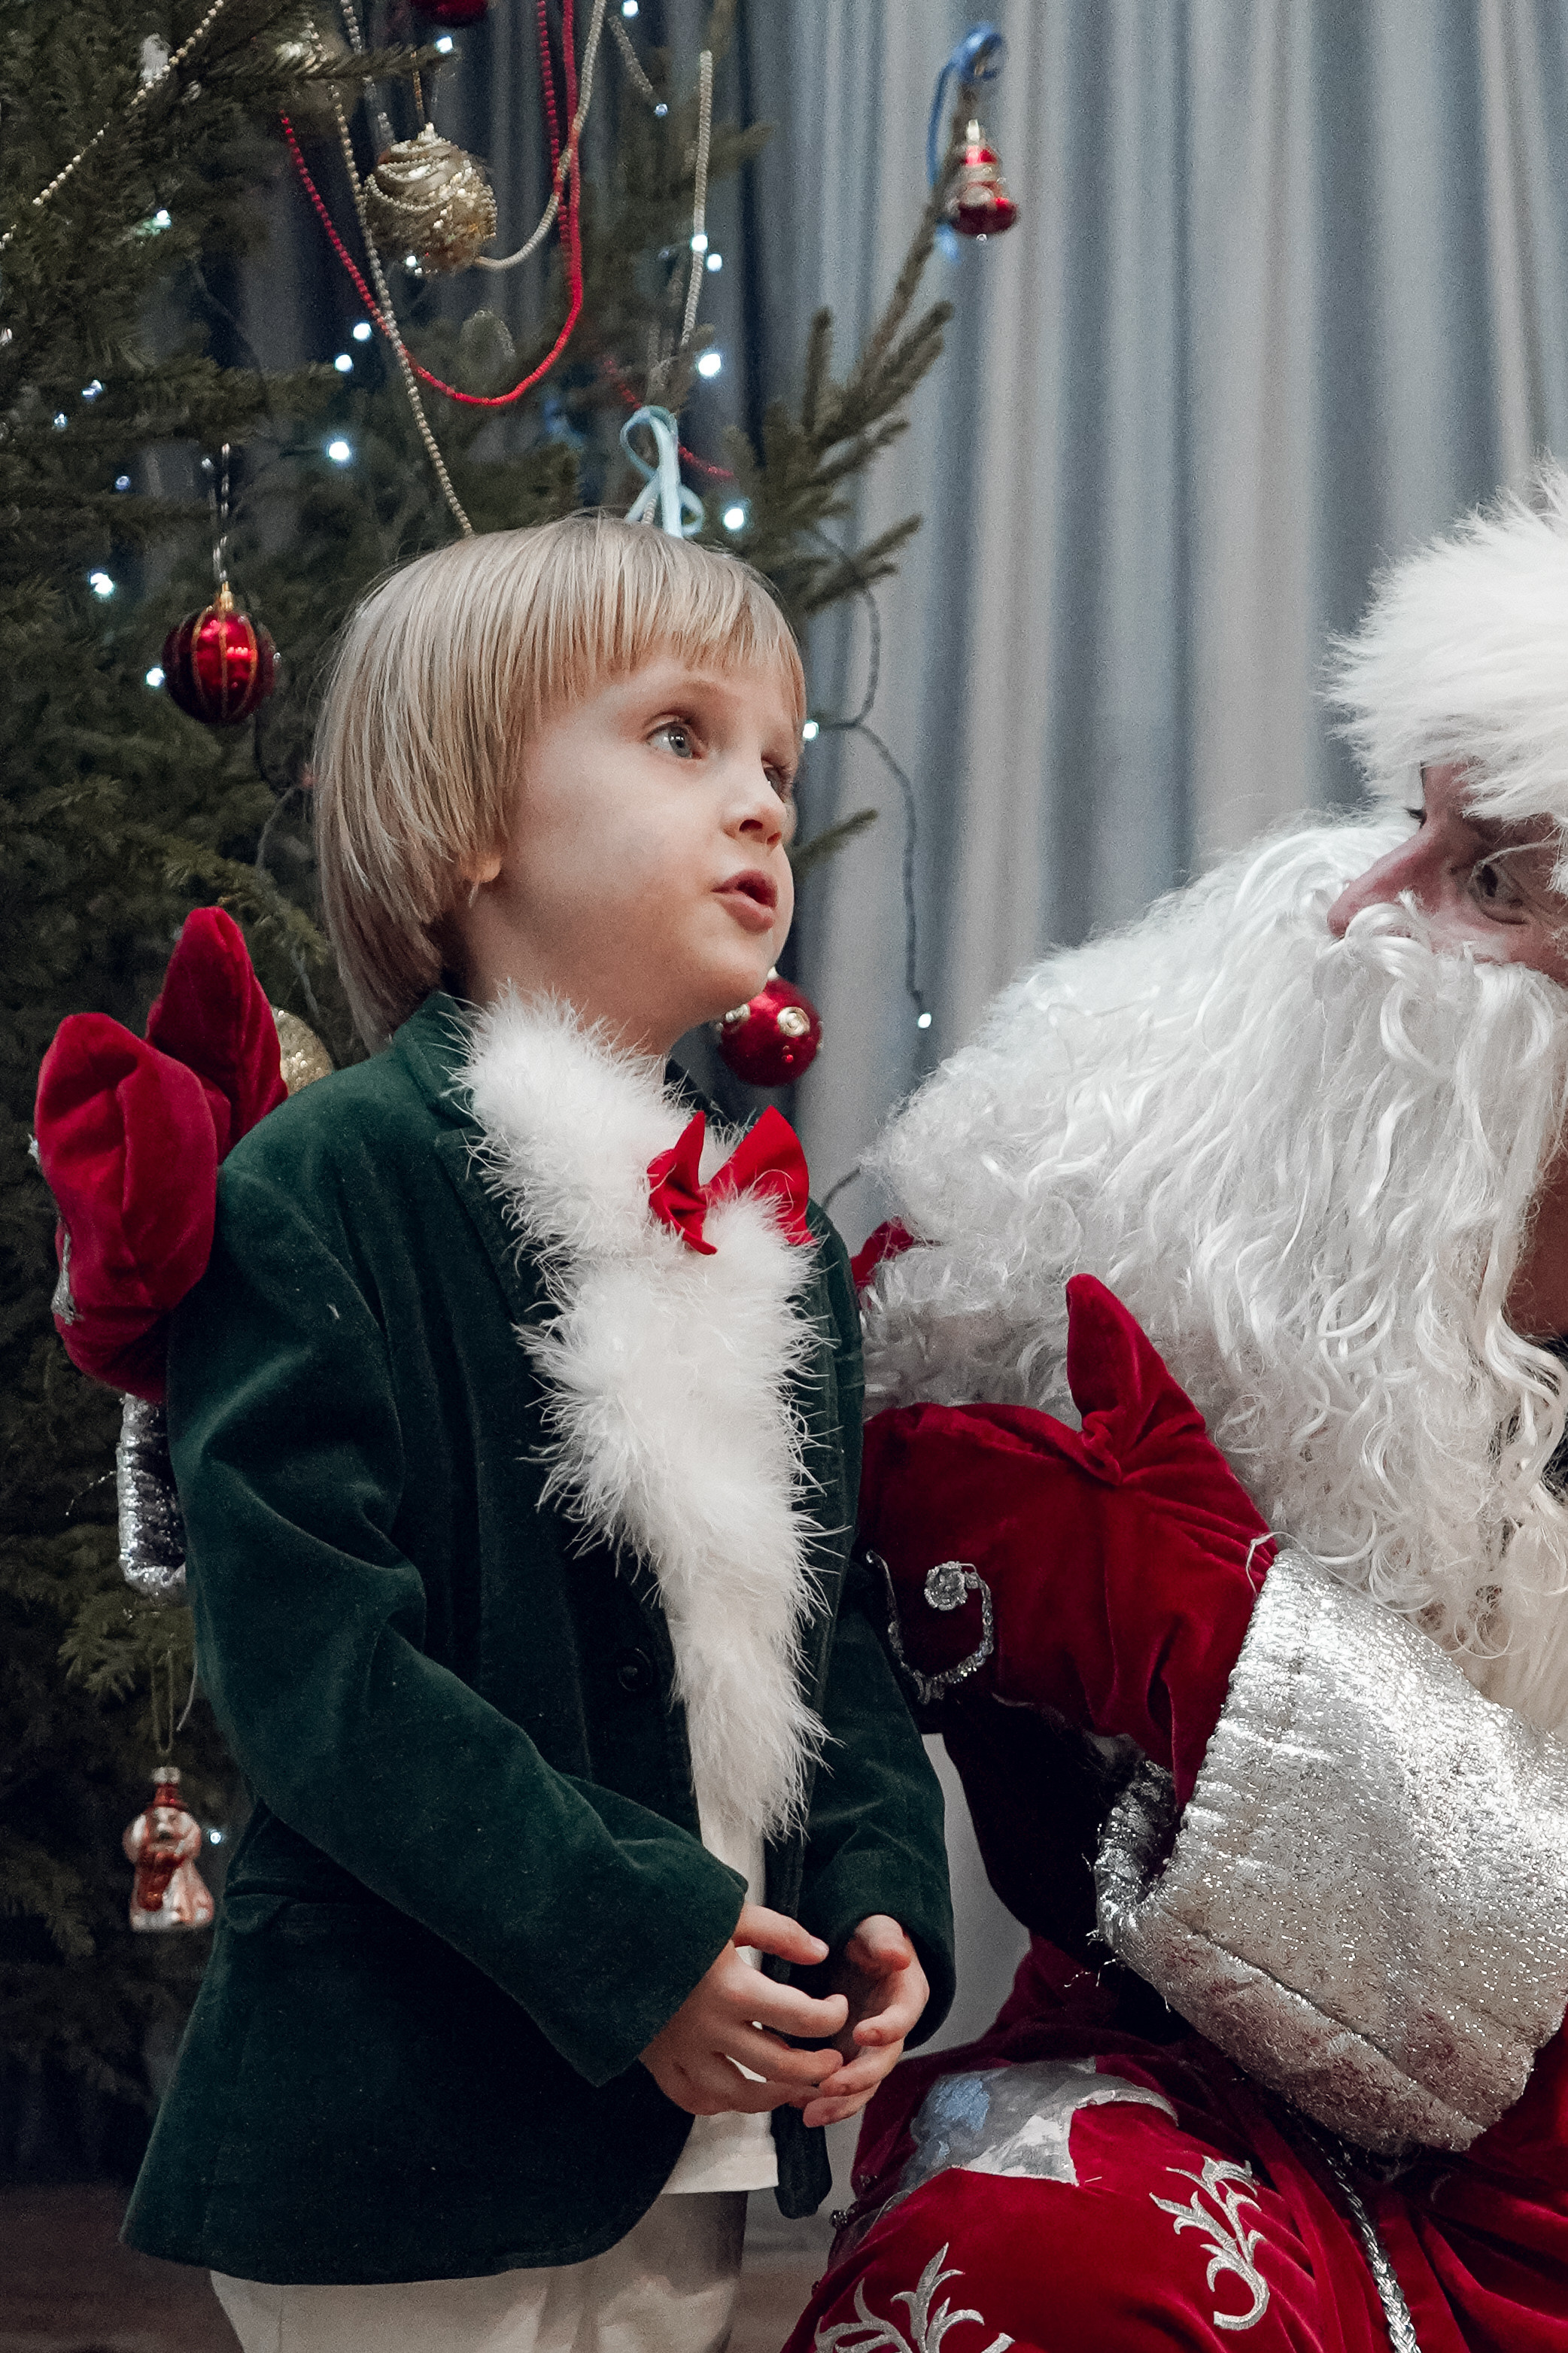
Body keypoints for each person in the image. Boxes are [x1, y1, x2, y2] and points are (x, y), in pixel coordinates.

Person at [120, 515, 955, 2353]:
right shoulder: (328, 1188)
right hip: (405, 2104)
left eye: (776, 766)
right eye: (681, 738)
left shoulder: (771, 1237)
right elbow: (319, 1660)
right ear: (470, 823)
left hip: (698, 2115)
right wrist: (627, 1936)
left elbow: (834, 1637)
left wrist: (884, 1892)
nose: (757, 803)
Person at [783, 467, 1568, 2351]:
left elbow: (1513, 1999)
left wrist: (1213, 1646)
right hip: (1228, 2084)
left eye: (1487, 879)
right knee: (1030, 2245)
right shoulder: (1246, 1266)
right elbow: (1067, 1860)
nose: (1356, 905)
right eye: (1406, 823)